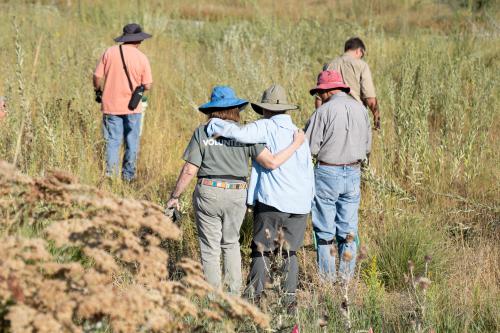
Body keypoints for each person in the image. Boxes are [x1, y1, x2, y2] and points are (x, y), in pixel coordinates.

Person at [166, 86, 305, 295]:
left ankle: (213, 297)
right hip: (237, 192)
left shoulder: (202, 132)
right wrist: (296, 144)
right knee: (231, 243)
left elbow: (189, 169)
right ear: (236, 109)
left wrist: (174, 196)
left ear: (212, 110)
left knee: (209, 246)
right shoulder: (247, 134)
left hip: (209, 191)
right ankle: (233, 295)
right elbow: (270, 161)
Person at [206, 84, 314, 309]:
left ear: (265, 109)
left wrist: (213, 123)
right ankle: (289, 301)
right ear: (285, 109)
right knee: (289, 252)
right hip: (300, 203)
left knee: (261, 250)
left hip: (273, 199)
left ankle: (254, 299)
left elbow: (237, 133)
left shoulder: (265, 127)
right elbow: (307, 170)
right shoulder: (299, 135)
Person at [305, 70, 371, 282]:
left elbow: (310, 147)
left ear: (326, 91)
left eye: (320, 93)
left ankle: (326, 281)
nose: (319, 97)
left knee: (324, 231)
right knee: (348, 230)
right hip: (353, 171)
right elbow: (368, 146)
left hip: (327, 171)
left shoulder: (323, 111)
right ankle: (345, 282)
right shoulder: (361, 110)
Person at [93, 23, 153, 181]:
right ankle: (128, 177)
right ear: (139, 40)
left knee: (112, 142)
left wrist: (98, 90)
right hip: (133, 107)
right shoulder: (142, 58)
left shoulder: (109, 52)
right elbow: (147, 85)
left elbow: (97, 76)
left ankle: (110, 177)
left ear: (125, 38)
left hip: (110, 106)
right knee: (132, 142)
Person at [320, 37, 380, 130]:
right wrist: (376, 117)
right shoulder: (361, 65)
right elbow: (369, 97)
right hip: (356, 114)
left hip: (331, 113)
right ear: (359, 51)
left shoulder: (329, 65)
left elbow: (320, 97)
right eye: (362, 54)